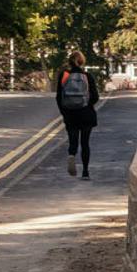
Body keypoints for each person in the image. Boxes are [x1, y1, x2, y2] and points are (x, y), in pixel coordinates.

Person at [56, 49, 100, 178]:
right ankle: (85, 172)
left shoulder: (64, 76)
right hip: (86, 114)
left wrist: (64, 112)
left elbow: (59, 97)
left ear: (70, 62)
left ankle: (71, 155)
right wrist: (87, 104)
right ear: (82, 62)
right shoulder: (87, 76)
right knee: (85, 143)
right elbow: (95, 97)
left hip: (70, 114)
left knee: (73, 140)